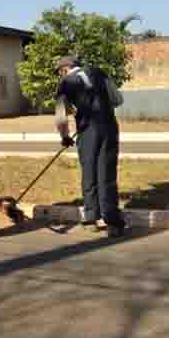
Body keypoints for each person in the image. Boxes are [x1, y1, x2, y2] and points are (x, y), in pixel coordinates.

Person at [53, 55, 126, 238]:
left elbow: (61, 116)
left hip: (88, 131)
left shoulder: (64, 84)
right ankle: (113, 223)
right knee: (107, 174)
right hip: (109, 128)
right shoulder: (100, 73)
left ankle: (91, 219)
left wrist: (65, 136)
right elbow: (117, 99)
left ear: (64, 69)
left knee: (89, 173)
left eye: (60, 72)